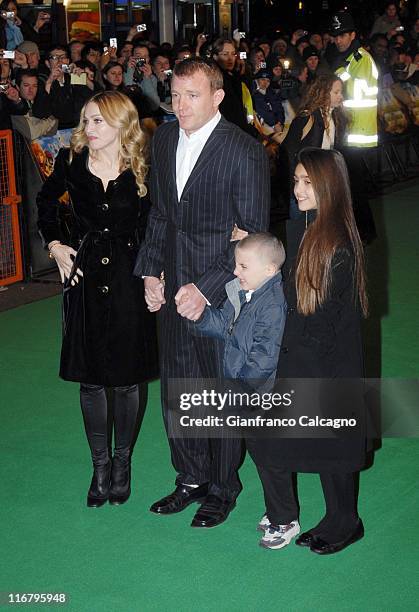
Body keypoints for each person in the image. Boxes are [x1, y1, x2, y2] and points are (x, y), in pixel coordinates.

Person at [134, 57, 270, 528]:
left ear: (217, 97)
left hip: (221, 294)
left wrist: (207, 289)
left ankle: (222, 486)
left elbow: (252, 234)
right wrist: (151, 272)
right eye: (174, 95)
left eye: (192, 95)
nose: (181, 105)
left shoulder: (243, 149)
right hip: (171, 287)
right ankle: (189, 476)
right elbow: (158, 214)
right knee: (179, 387)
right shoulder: (165, 137)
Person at [36, 90, 158, 508]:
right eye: (85, 121)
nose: (88, 129)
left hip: (130, 276)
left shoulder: (144, 165)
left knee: (126, 381)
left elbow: (156, 224)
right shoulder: (70, 162)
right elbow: (45, 203)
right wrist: (55, 245)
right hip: (83, 275)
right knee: (90, 379)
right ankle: (100, 465)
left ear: (121, 124)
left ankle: (122, 463)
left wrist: (152, 274)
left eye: (97, 121)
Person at [249, 147, 368, 553]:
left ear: (328, 187)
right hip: (304, 355)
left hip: (324, 363)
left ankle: (346, 520)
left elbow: (322, 320)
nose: (298, 189)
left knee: (333, 444)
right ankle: (337, 517)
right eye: (296, 180)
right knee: (320, 442)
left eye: (307, 182)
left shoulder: (334, 242)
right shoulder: (305, 227)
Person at [186, 233, 287, 393]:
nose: (235, 271)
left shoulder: (273, 306)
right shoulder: (243, 293)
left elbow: (264, 357)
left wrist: (241, 387)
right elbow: (226, 326)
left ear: (269, 270)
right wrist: (202, 316)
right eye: (236, 265)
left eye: (243, 267)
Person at [328, 11, 378, 243]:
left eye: (342, 35)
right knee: (351, 186)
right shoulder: (350, 58)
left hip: (355, 132)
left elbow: (340, 88)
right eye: (335, 36)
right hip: (350, 130)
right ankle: (362, 233)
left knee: (353, 187)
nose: (338, 40)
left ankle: (364, 234)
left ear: (353, 35)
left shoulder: (359, 59)